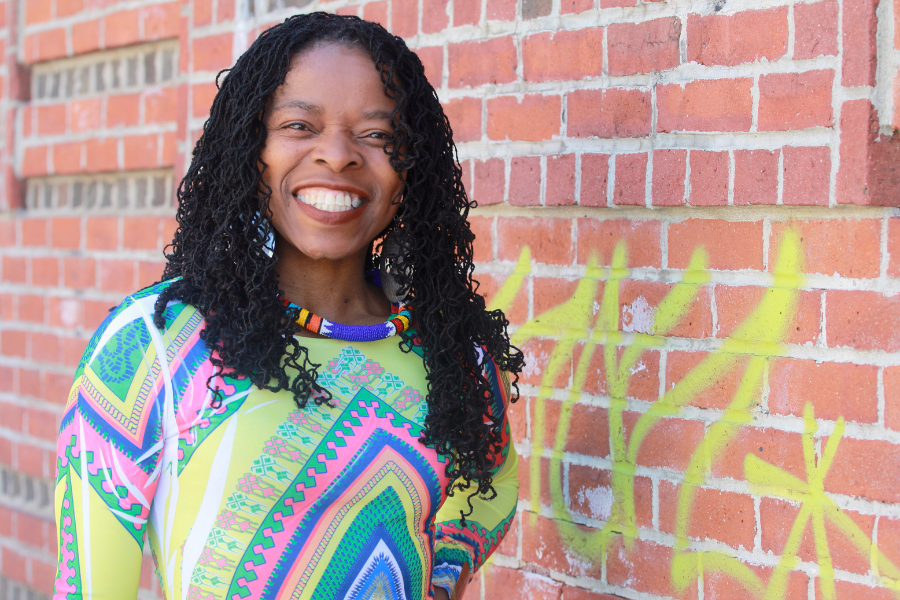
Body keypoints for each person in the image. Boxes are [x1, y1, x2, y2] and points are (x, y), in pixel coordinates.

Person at [52, 12, 524, 600]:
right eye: (299, 125)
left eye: (377, 135)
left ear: (409, 169)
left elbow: (495, 483)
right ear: (254, 150)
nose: (338, 155)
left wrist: (442, 575)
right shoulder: (156, 345)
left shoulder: (451, 355)